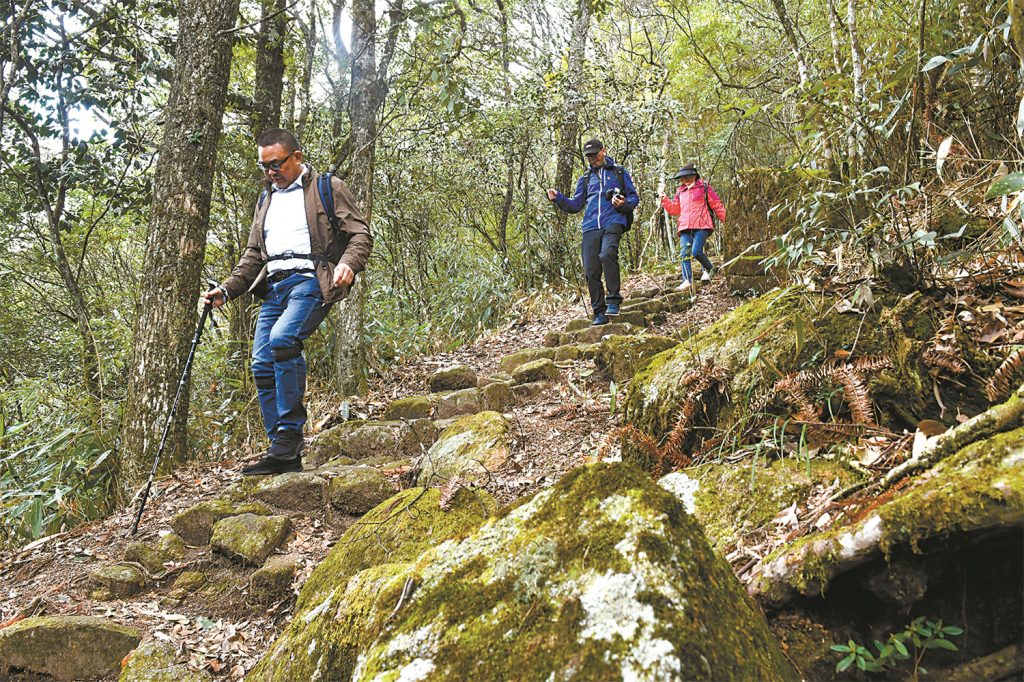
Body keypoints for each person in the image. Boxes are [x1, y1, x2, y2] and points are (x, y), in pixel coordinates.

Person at [201, 129, 373, 476]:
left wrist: (347, 264)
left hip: (310, 281)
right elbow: (253, 255)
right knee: (261, 364)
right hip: (274, 288)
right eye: (264, 166)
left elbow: (360, 234)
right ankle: (280, 451)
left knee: (283, 340)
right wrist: (228, 289)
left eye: (276, 164)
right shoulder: (265, 200)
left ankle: (290, 438)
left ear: (296, 156)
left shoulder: (327, 187)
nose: (270, 172)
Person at [547, 138, 639, 326]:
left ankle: (613, 300)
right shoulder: (585, 179)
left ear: (603, 151)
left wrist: (623, 204)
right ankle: (599, 312)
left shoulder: (619, 172)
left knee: (607, 254)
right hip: (590, 226)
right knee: (591, 270)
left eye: (595, 155)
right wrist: (559, 198)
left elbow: (634, 197)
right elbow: (576, 205)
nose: (592, 159)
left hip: (614, 220)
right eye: (588, 156)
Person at [660, 163, 726, 291]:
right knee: (684, 254)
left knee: (696, 251)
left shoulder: (704, 187)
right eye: (682, 177)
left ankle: (709, 269)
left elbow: (716, 204)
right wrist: (665, 200)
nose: (684, 179)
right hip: (685, 226)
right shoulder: (680, 191)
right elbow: (675, 209)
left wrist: (727, 220)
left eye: (687, 176)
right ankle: (687, 280)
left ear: (694, 175)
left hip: (702, 224)